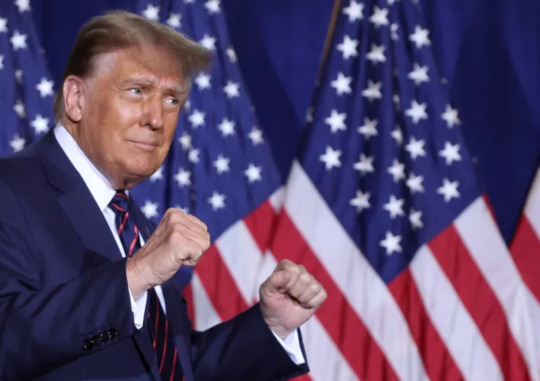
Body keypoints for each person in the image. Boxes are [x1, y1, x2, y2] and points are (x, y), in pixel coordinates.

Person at [0, 11, 326, 381]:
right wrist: (135, 274)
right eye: (137, 91)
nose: (157, 118)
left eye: (171, 99)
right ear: (76, 98)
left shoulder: (132, 223)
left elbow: (170, 367)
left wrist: (271, 325)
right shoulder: (9, 190)